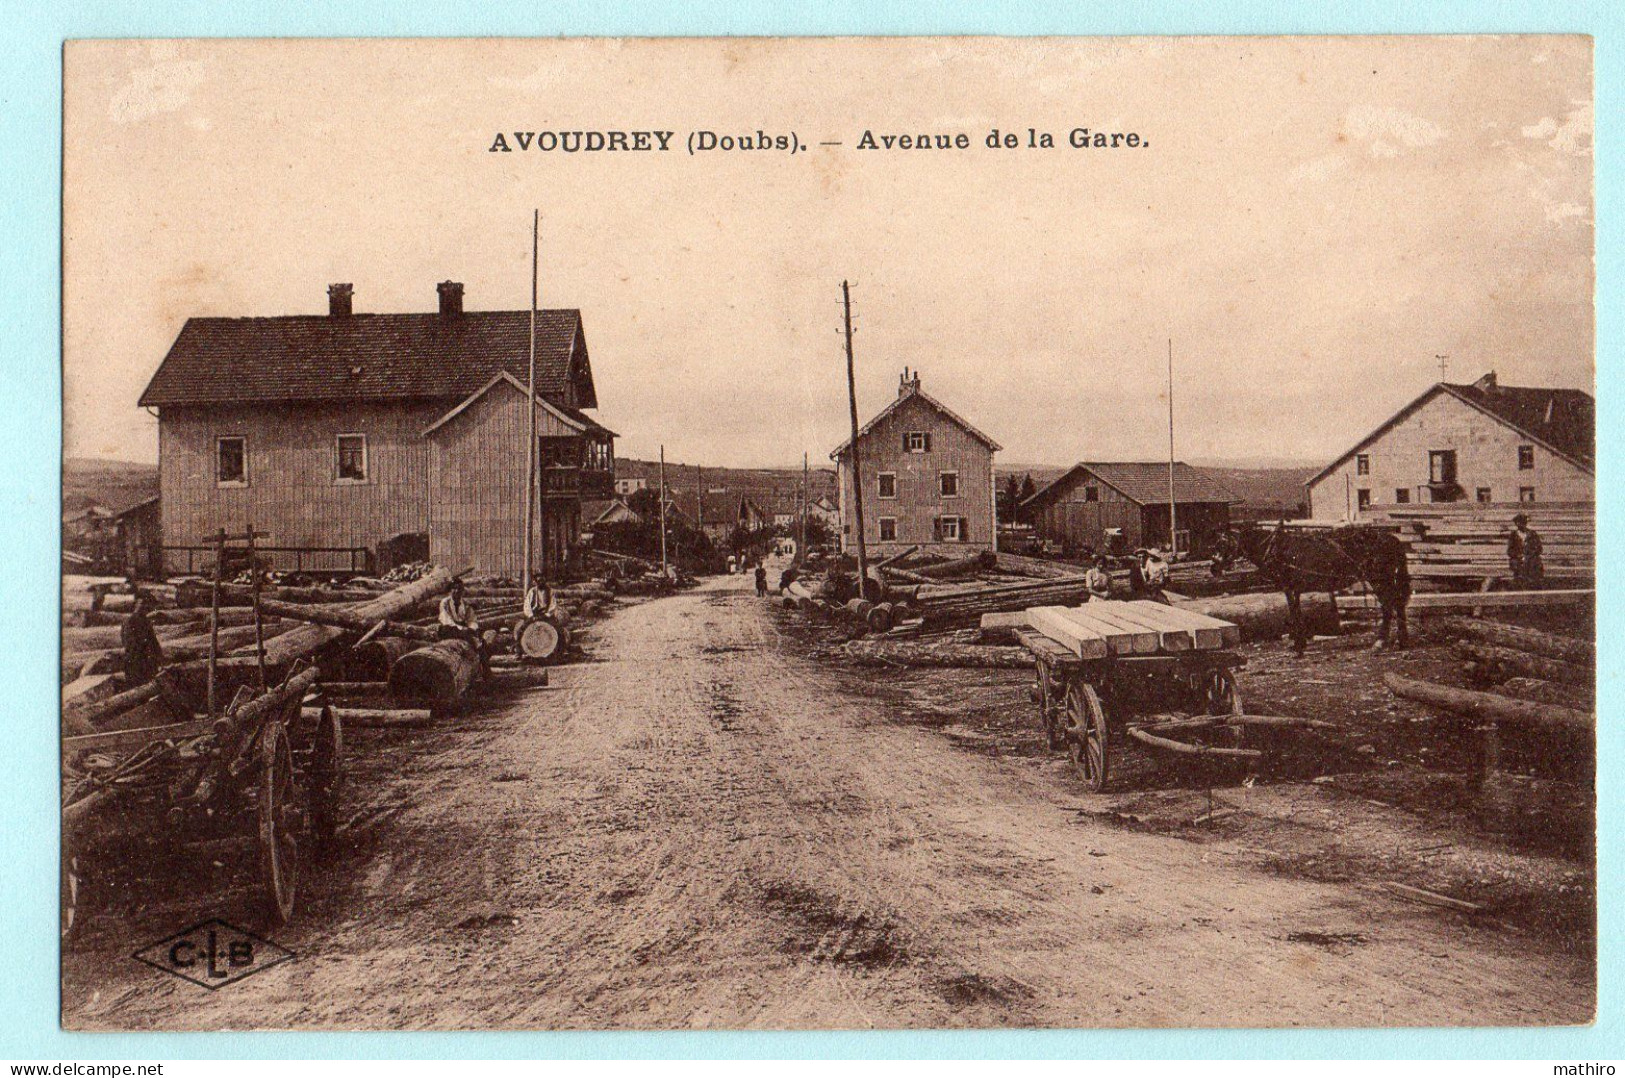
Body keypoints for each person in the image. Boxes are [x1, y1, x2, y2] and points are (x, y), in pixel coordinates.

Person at [120, 591, 164, 685]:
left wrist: (158, 657)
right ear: (136, 605)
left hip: (146, 663)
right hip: (136, 664)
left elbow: (153, 642)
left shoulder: (145, 621)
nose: (144, 608)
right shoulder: (130, 622)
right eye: (142, 604)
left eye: (146, 605)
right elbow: (130, 645)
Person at [1508, 513, 1545, 588]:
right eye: (1518, 523)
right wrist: (1519, 555)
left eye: (1522, 522)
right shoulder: (1513, 535)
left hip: (1531, 558)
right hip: (1518, 559)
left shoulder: (1532, 534)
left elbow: (1539, 548)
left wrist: (1529, 555)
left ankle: (1533, 585)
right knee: (1518, 567)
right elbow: (1510, 550)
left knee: (1534, 565)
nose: (1520, 524)